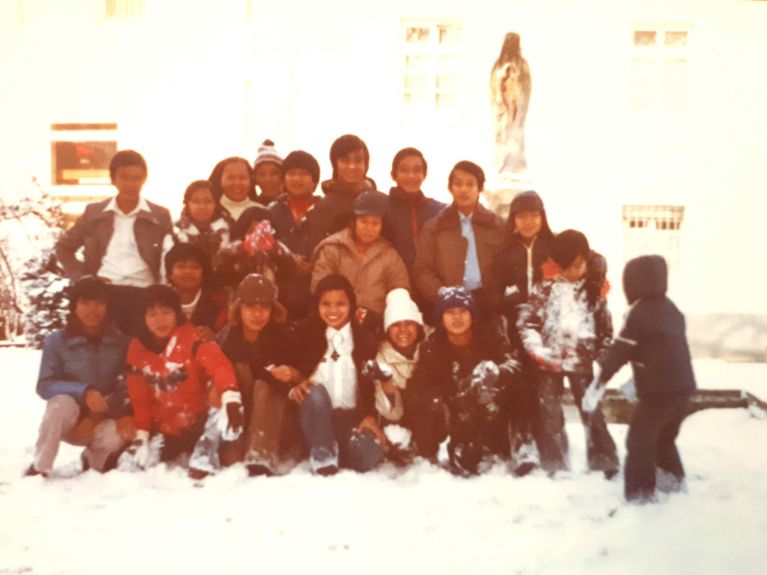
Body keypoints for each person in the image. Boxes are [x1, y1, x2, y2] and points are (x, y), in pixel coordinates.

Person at [582, 255, 697, 502]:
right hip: (683, 388)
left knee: (639, 442)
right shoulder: (671, 309)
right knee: (664, 439)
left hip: (659, 392)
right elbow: (663, 350)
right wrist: (639, 377)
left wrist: (599, 382)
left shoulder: (639, 313)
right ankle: (674, 484)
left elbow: (620, 352)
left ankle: (640, 496)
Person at [516, 230, 618, 477]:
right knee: (549, 411)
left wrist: (604, 356)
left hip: (581, 360)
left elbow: (605, 329)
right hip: (548, 361)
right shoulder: (544, 289)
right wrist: (537, 350)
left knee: (591, 408)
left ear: (586, 261)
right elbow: (528, 324)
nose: (573, 272)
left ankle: (604, 459)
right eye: (567, 267)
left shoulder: (593, 292)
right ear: (557, 265)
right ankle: (555, 461)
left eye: (578, 266)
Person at [122, 285, 243, 476]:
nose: (160, 319)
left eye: (166, 312)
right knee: (129, 467)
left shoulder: (194, 337)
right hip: (165, 428)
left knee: (218, 387)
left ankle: (206, 452)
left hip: (199, 421)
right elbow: (140, 398)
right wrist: (142, 434)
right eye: (152, 314)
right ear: (143, 319)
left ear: (177, 314)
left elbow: (220, 366)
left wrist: (231, 397)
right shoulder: (137, 350)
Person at [406, 286, 522, 475]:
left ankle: (520, 447)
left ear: (472, 314)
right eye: (450, 312)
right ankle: (429, 454)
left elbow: (514, 364)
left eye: (462, 311)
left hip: (491, 409)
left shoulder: (490, 335)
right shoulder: (432, 346)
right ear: (441, 318)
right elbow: (418, 386)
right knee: (466, 461)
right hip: (458, 415)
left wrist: (497, 373)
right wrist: (441, 403)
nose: (457, 318)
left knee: (522, 388)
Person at [55, 150, 173, 335]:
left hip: (145, 292)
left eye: (137, 177)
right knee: (105, 352)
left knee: (138, 351)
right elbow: (63, 247)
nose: (131, 184)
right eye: (124, 177)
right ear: (113, 179)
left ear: (144, 179)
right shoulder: (95, 213)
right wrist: (83, 277)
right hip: (105, 293)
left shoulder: (159, 215)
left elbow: (171, 255)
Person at [26, 276, 132, 476]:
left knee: (117, 434)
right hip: (70, 418)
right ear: (74, 306)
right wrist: (84, 391)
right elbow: (45, 385)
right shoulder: (56, 341)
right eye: (85, 303)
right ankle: (40, 466)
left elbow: (125, 383)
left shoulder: (121, 341)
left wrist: (96, 416)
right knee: (59, 404)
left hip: (103, 415)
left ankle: (93, 461)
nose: (93, 310)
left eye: (99, 303)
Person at [287, 274, 385, 475]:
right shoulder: (305, 334)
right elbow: (271, 364)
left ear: (351, 304)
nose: (333, 311)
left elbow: (373, 384)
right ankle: (323, 457)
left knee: (370, 455)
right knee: (314, 392)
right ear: (317, 305)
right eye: (326, 304)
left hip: (350, 419)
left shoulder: (364, 340)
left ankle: (341, 451)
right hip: (316, 416)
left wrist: (369, 416)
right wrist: (290, 388)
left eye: (340, 304)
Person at [218, 274, 303, 476]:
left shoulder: (285, 335)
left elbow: (306, 375)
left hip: (277, 418)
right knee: (237, 372)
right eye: (250, 307)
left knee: (265, 385)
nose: (257, 314)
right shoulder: (228, 337)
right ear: (239, 308)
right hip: (241, 412)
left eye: (264, 307)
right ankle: (235, 443)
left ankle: (261, 454)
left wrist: (293, 374)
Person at [412, 161, 504, 318]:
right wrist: (442, 294)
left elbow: (506, 266)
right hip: (449, 305)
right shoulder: (435, 226)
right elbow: (422, 270)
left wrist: (496, 296)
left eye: (470, 184)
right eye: (458, 184)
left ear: (480, 188)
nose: (464, 190)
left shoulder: (497, 225)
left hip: (488, 305)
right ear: (450, 188)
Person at [311, 190, 410, 325]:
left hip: (375, 323)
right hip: (334, 320)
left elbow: (400, 291)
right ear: (353, 221)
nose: (369, 228)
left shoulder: (389, 254)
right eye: (364, 222)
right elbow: (319, 287)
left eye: (375, 223)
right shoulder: (332, 248)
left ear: (382, 226)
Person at [268, 150, 322, 319]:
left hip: (315, 298)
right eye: (291, 173)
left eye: (304, 174)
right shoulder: (271, 211)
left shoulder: (325, 211)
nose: (297, 179)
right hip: (278, 299)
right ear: (284, 179)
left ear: (314, 181)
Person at [304, 134, 377, 252]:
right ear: (335, 165)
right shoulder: (323, 208)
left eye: (358, 160)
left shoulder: (379, 204)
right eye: (345, 160)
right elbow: (316, 255)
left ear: (366, 165)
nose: (352, 166)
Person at [384, 147, 445, 268]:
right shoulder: (383, 208)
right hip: (392, 281)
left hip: (429, 279)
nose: (411, 176)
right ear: (393, 175)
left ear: (424, 175)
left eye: (417, 170)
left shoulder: (438, 210)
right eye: (404, 170)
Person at [164, 242, 227, 332]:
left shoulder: (218, 301)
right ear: (170, 273)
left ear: (203, 273)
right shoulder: (161, 301)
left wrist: (215, 336)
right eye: (181, 266)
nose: (188, 272)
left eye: (195, 267)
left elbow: (225, 334)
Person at [170, 179, 232, 266]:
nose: (202, 206)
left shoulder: (226, 229)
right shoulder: (175, 233)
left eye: (208, 201)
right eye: (196, 201)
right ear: (187, 204)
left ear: (216, 204)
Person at [209, 156, 262, 225]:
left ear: (250, 180)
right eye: (231, 178)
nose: (237, 183)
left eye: (242, 177)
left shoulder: (261, 211)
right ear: (220, 180)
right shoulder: (209, 211)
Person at [253, 139, 283, 204]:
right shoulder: (250, 207)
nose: (268, 179)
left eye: (274, 173)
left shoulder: (293, 206)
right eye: (261, 174)